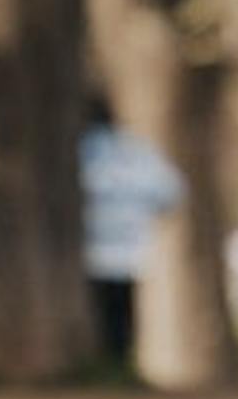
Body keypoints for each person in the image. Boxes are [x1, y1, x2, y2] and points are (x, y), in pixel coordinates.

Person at [78, 90, 185, 377]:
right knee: (121, 316)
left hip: (84, 253)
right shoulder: (136, 152)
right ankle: (117, 365)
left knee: (97, 314)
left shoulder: (76, 152)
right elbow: (171, 194)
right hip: (128, 251)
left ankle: (105, 368)